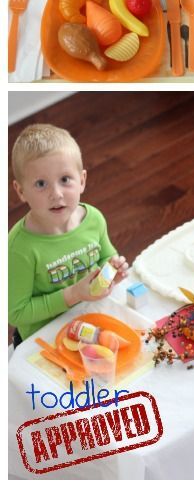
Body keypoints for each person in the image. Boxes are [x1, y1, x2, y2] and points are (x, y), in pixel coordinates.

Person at [8, 124, 129, 344]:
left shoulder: (93, 219)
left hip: (87, 319)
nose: (56, 194)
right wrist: (73, 294)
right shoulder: (19, 248)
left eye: (65, 179)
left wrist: (112, 270)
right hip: (43, 340)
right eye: (41, 184)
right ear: (21, 191)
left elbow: (104, 257)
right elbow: (16, 313)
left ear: (82, 180)